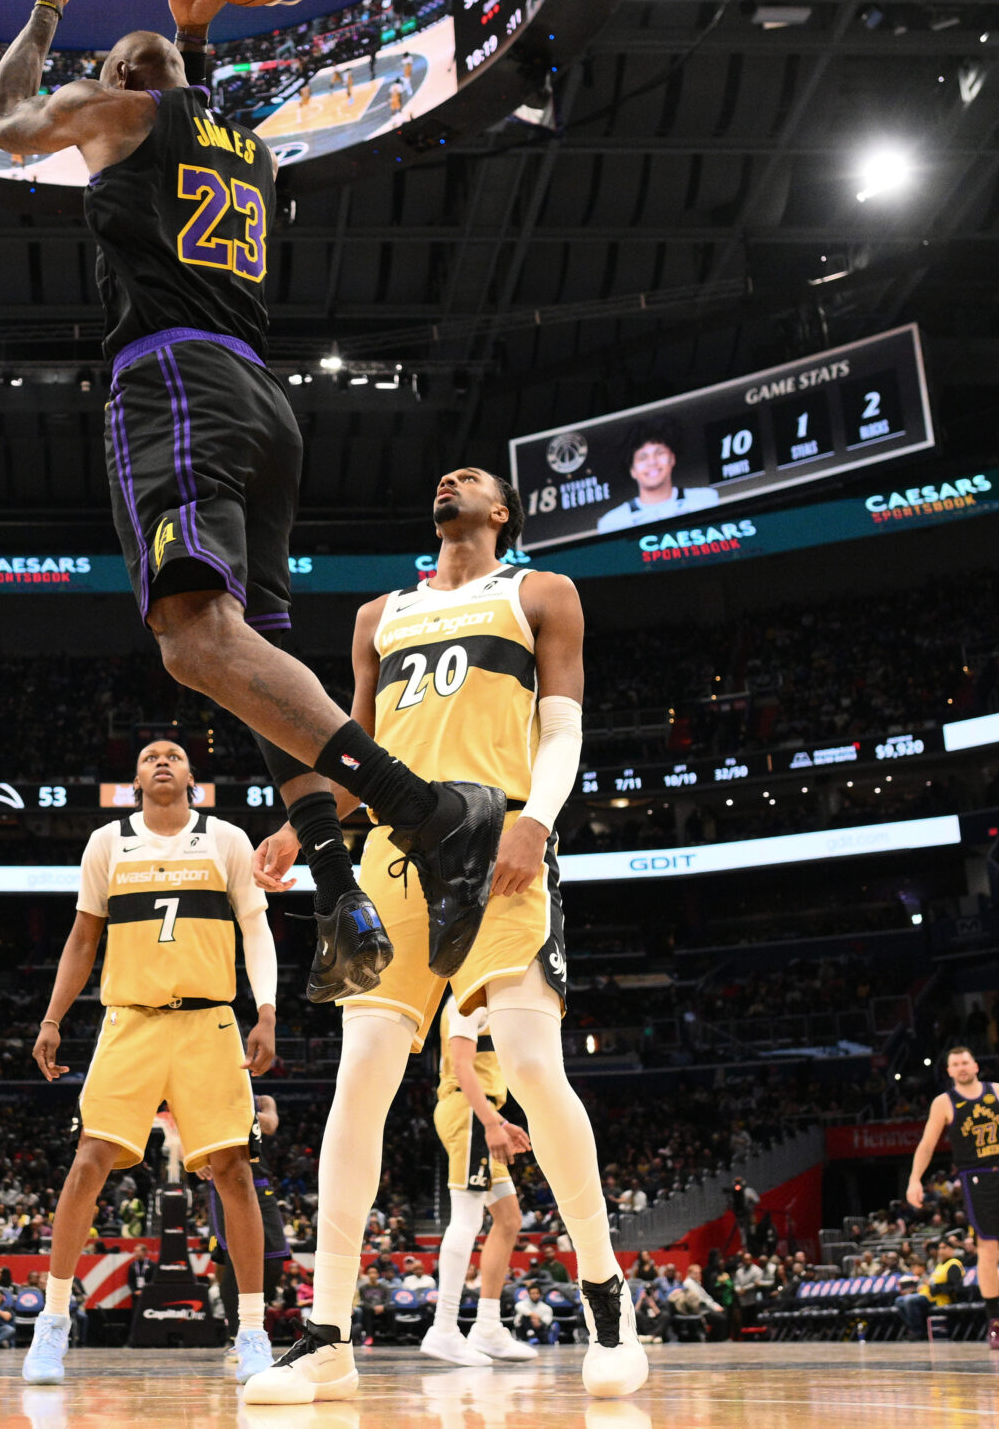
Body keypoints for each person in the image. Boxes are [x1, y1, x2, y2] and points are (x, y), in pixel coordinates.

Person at [0, 0, 507, 1005]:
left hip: (176, 387)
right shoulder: (250, 148)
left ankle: (429, 812)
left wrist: (44, 10)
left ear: (124, 81)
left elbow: (0, 125)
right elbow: (192, 105)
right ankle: (336, 886)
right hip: (263, 403)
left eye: (117, 65)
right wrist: (189, 31)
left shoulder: (113, 109)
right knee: (257, 659)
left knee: (190, 648)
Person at [243, 467, 644, 1404]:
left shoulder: (541, 591)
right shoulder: (379, 614)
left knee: (537, 1069)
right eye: (442, 476)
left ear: (502, 511)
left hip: (498, 834)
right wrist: (301, 828)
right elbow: (357, 755)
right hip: (393, 854)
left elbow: (563, 722)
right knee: (360, 1081)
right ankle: (329, 1336)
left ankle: (605, 1296)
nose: (450, 479)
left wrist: (537, 821)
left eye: (473, 477)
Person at [22, 740, 280, 1387]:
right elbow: (82, 938)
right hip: (128, 1019)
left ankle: (252, 1330)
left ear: (193, 776)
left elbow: (255, 927)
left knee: (234, 1172)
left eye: (174, 754)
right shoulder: (108, 842)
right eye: (149, 756)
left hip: (209, 1021)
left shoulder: (225, 838)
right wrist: (53, 1017)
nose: (162, 760)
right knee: (87, 1163)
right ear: (136, 779)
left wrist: (268, 1009)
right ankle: (52, 1322)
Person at [904, 1044, 999, 1347]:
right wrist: (914, 1179)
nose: (960, 1067)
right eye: (954, 1063)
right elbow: (927, 1145)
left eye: (965, 1062)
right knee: (988, 1248)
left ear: (975, 1066)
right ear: (949, 1071)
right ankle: (995, 1322)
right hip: (976, 1179)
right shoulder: (944, 1103)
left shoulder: (998, 1091)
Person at [422, 997, 537, 1368]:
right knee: (467, 1220)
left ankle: (487, 1326)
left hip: (483, 1112)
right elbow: (461, 1065)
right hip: (470, 1112)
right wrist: (491, 1123)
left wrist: (498, 1120)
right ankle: (443, 1329)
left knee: (508, 1219)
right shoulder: (466, 1002)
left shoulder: (487, 1002)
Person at [208, 1094, 291, 1370]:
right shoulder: (207, 1093)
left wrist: (239, 1105)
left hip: (260, 1182)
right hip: (224, 1181)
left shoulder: (263, 1099)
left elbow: (269, 1125)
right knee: (234, 1261)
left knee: (275, 1261)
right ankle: (236, 1336)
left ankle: (253, 1326)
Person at [591, 419, 721, 531]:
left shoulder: (705, 499)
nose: (652, 462)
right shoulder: (613, 522)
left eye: (659, 453)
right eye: (643, 457)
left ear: (672, 459)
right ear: (632, 470)